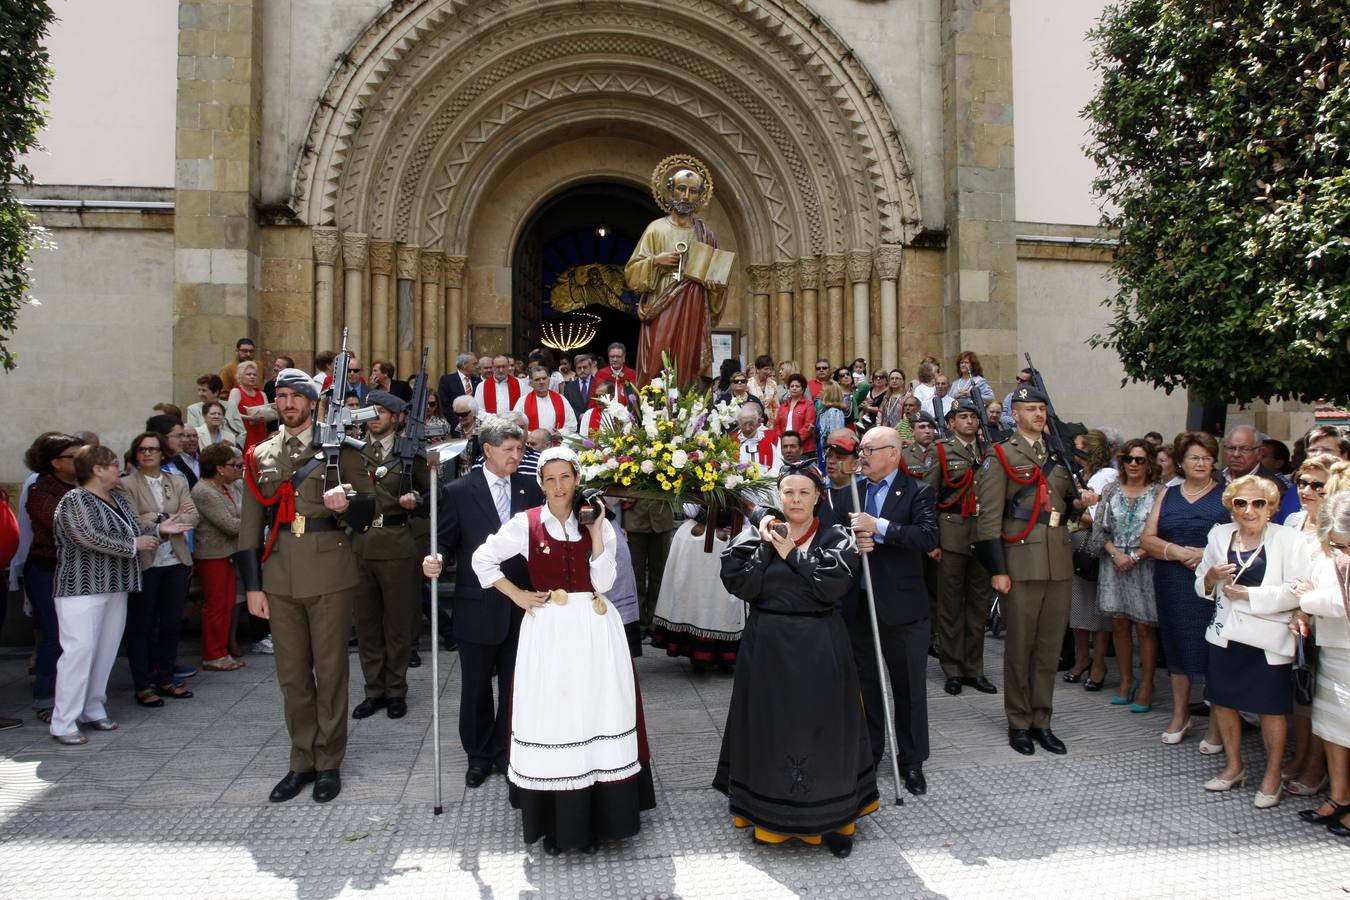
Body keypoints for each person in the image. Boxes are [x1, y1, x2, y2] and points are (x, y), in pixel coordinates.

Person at [449, 446, 654, 851]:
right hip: (550, 631)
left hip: (595, 628)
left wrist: (595, 535)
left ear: (577, 479)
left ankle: (603, 814)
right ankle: (559, 816)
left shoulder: (600, 525)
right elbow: (482, 560)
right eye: (550, 478)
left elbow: (606, 581)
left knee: (598, 710)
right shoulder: (525, 523)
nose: (559, 486)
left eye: (566, 477)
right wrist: (518, 595)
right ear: (540, 483)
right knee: (556, 713)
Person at [716, 468, 876, 857]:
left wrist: (792, 553)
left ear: (818, 496)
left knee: (825, 729)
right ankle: (767, 815)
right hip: (767, 644)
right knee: (771, 727)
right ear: (779, 496)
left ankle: (837, 820)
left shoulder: (837, 537)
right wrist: (770, 544)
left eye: (805, 492)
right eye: (788, 492)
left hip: (820, 644)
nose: (796, 499)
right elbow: (742, 585)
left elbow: (830, 586)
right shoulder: (757, 533)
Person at [238, 368, 377, 804]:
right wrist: (253, 588)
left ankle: (329, 760)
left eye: (295, 396)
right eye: (280, 396)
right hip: (279, 575)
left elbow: (367, 513)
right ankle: (301, 759)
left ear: (313, 402)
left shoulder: (339, 449)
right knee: (292, 676)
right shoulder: (261, 453)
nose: (287, 403)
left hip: (330, 572)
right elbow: (248, 527)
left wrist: (347, 503)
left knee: (331, 670)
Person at [974, 385, 1097, 756]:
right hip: (1020, 562)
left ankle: (1042, 719)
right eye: (1030, 408)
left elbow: (1062, 509)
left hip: (1058, 562)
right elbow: (989, 519)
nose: (1038, 415)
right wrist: (997, 569)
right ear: (1015, 414)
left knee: (1047, 650)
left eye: (1042, 408)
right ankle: (1019, 721)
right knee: (1020, 647)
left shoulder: (1059, 455)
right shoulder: (1000, 455)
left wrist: (1081, 503)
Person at [429, 416, 542, 786]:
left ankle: (508, 750)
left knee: (514, 684)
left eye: (521, 448)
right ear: (488, 450)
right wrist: (436, 559)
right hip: (476, 603)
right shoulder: (461, 490)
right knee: (476, 687)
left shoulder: (530, 489)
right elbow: (443, 539)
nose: (516, 455)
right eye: (509, 449)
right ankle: (477, 754)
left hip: (519, 605)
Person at [833, 426, 939, 794]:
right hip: (859, 606)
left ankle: (912, 761)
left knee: (908, 687)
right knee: (866, 685)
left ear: (893, 453)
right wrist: (851, 541)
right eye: (861, 450)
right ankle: (871, 751)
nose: (861, 456)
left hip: (903, 608)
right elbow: (832, 538)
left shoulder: (918, 491)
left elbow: (927, 537)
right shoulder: (850, 492)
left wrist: (878, 527)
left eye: (869, 449)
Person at [1196, 474, 1312, 807]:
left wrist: (1250, 594)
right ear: (1231, 506)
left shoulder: (1290, 540)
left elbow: (1298, 590)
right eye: (1241, 503)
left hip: (1269, 639)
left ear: (1272, 508)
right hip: (1225, 634)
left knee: (1271, 709)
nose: (1249, 510)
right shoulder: (1219, 535)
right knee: (1222, 700)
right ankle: (1234, 767)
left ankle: (1272, 776)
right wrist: (1211, 577)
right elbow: (1200, 584)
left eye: (1258, 503)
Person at [48, 445, 169, 745]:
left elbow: (134, 531)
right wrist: (134, 545)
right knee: (79, 652)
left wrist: (160, 530)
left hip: (116, 584)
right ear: (97, 469)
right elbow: (85, 536)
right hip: (81, 587)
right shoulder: (74, 500)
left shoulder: (117, 498)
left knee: (105, 650)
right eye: (114, 464)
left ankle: (92, 707)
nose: (120, 469)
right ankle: (63, 722)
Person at [1140, 431, 1229, 749]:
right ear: (1180, 462)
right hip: (1172, 581)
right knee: (1176, 646)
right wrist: (1179, 552)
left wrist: (1204, 555)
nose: (1202, 463)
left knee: (1214, 653)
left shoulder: (1226, 494)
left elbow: (1239, 540)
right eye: (1195, 457)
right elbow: (1147, 539)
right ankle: (1180, 714)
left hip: (1213, 585)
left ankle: (1218, 726)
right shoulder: (1168, 493)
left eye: (1207, 457)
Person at [349, 391, 430, 721]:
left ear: (396, 417)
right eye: (370, 410)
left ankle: (396, 689)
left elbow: (434, 492)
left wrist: (417, 499)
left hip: (397, 544)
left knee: (397, 623)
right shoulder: (353, 452)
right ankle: (374, 690)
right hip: (361, 544)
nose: (374, 416)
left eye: (382, 411)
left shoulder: (410, 454)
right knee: (367, 624)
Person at [623, 162, 728, 385]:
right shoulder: (656, 229)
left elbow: (717, 276)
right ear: (670, 191)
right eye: (681, 189)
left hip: (695, 305)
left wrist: (716, 288)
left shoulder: (706, 234)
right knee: (656, 361)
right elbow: (632, 274)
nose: (686, 196)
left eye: (693, 191)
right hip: (662, 304)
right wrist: (655, 262)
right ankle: (654, 408)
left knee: (688, 363)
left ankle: (688, 406)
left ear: (700, 196)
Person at [117, 431, 200, 707]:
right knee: (142, 625)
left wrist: (155, 517)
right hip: (146, 562)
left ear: (162, 453)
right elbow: (130, 520)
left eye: (152, 449)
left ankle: (166, 677)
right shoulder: (125, 484)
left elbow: (192, 515)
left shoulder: (176, 481)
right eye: (142, 449)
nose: (147, 454)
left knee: (171, 622)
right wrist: (164, 521)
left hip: (176, 560)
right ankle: (143, 684)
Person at [925, 399, 996, 696]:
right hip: (951, 535)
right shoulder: (940, 451)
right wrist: (932, 541)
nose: (969, 421)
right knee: (951, 605)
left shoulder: (990, 451)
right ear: (951, 423)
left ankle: (974, 668)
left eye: (973, 417)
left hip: (982, 535)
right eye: (962, 417)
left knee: (978, 606)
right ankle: (953, 669)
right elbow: (927, 497)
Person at [1293, 489, 1350, 836]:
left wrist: (1308, 599)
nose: (1344, 552)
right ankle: (1339, 796)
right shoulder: (1324, 551)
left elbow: (1341, 604)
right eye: (1340, 545)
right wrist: (1303, 608)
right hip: (1331, 649)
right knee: (1331, 729)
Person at [1092, 439, 1165, 712]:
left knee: (1145, 627)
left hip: (1145, 565)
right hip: (1113, 563)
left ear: (1150, 464)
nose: (1134, 464)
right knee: (1119, 624)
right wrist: (1115, 554)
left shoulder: (1160, 492)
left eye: (1140, 459)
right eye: (1129, 459)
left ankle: (1147, 684)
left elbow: (1162, 531)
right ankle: (1126, 679)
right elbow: (1099, 529)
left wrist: (1135, 556)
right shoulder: (1111, 489)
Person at [1282, 453, 1338, 797]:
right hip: (1291, 618)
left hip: (1325, 620)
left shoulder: (1336, 528)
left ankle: (1317, 767)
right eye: (1302, 482)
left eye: (1318, 484)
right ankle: (1301, 756)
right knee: (1300, 695)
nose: (1307, 490)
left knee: (1321, 698)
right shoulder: (1292, 521)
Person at [23, 434, 84, 723]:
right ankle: (45, 698)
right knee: (54, 636)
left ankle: (75, 697)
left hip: (79, 571)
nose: (80, 460)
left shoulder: (84, 486)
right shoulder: (41, 490)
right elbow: (65, 524)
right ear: (55, 462)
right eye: (73, 456)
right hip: (48, 570)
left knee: (76, 638)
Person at [651, 506, 743, 669]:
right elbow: (690, 507)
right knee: (694, 592)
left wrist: (742, 526)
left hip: (728, 536)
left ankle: (725, 653)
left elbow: (750, 505)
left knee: (723, 595)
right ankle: (696, 650)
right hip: (696, 538)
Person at [1064, 430, 1116, 691]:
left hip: (1092, 544)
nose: (1073, 449)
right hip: (1076, 545)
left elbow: (1095, 516)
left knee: (1097, 608)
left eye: (1078, 445)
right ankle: (1082, 656)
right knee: (1078, 605)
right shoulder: (1080, 475)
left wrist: (1071, 510)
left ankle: (1098, 662)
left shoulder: (1105, 476)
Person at [191, 442, 245, 672]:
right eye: (235, 465)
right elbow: (229, 525)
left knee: (226, 604)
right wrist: (255, 523)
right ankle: (213, 654)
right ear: (219, 468)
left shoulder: (226, 488)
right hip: (212, 555)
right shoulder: (204, 491)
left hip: (227, 553)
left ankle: (221, 651)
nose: (239, 469)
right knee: (216, 606)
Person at [513, 365, 578, 433]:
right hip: (531, 442)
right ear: (531, 383)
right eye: (537, 379)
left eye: (544, 378)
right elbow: (516, 426)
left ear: (549, 380)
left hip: (558, 442)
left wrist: (560, 433)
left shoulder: (561, 399)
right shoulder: (522, 401)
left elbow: (572, 425)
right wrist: (534, 436)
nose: (541, 382)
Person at [187, 374, 246, 443]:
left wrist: (236, 448)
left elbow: (242, 432)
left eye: (204, 390)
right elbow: (193, 434)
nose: (200, 394)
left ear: (216, 392)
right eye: (199, 390)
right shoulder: (193, 409)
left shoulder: (231, 407)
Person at [229, 360, 271, 450]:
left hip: (260, 434)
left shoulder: (262, 394)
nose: (252, 377)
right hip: (243, 435)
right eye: (248, 374)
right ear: (241, 376)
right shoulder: (236, 392)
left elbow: (268, 413)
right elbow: (230, 413)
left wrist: (274, 409)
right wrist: (250, 418)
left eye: (254, 375)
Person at [733, 404, 780, 475]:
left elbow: (779, 464)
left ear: (758, 422)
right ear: (738, 423)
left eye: (751, 423)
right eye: (744, 424)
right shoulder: (731, 441)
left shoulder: (771, 438)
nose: (747, 428)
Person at [815, 382, 849, 469]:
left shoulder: (834, 412)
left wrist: (831, 456)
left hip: (830, 454)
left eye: (822, 391)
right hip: (822, 451)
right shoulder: (823, 411)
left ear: (829, 394)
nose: (820, 393)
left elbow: (835, 437)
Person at [438, 351, 480, 418]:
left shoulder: (478, 381)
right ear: (464, 365)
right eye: (474, 364)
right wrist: (456, 423)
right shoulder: (447, 381)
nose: (477, 367)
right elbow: (445, 406)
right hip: (457, 423)